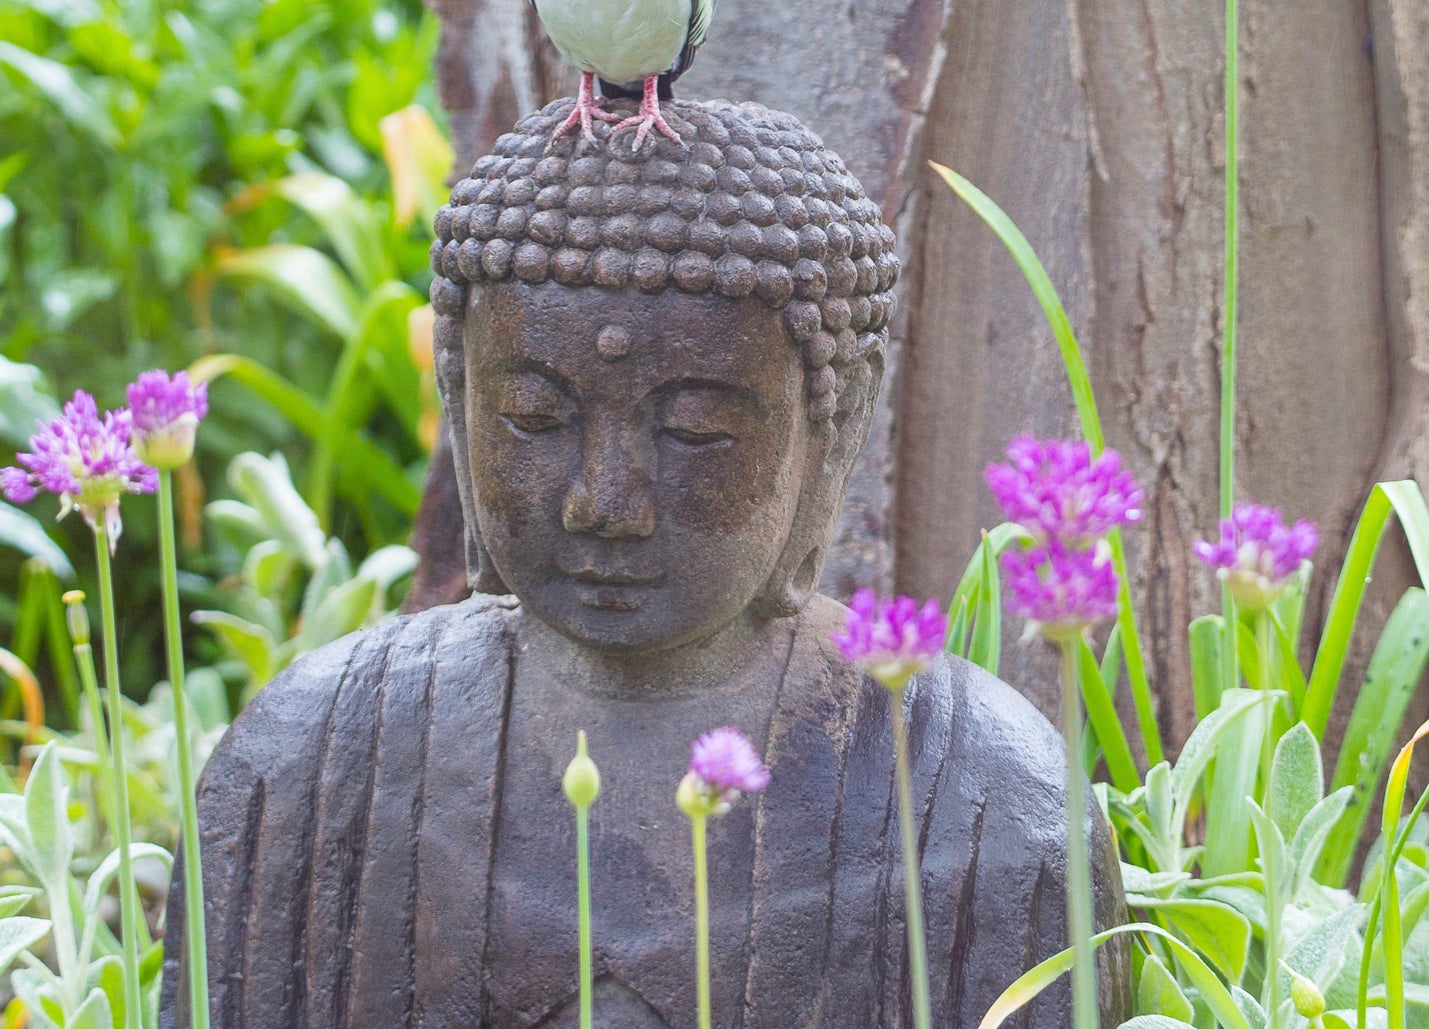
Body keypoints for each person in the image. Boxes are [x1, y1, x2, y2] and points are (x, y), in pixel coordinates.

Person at [163, 97, 1129, 1028]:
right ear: (459, 400)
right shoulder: (312, 769)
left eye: (695, 429)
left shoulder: (981, 807)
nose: (603, 503)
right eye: (535, 419)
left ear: (831, 426)